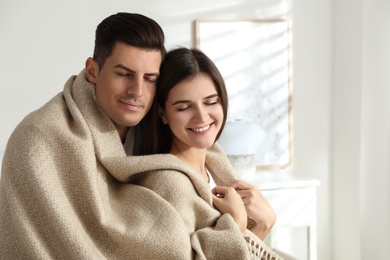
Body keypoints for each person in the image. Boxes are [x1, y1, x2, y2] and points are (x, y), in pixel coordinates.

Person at [128, 47, 280, 259]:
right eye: (183, 107)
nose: (201, 116)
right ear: (163, 113)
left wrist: (261, 226)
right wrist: (239, 224)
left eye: (211, 102)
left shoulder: (214, 165)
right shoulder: (168, 184)